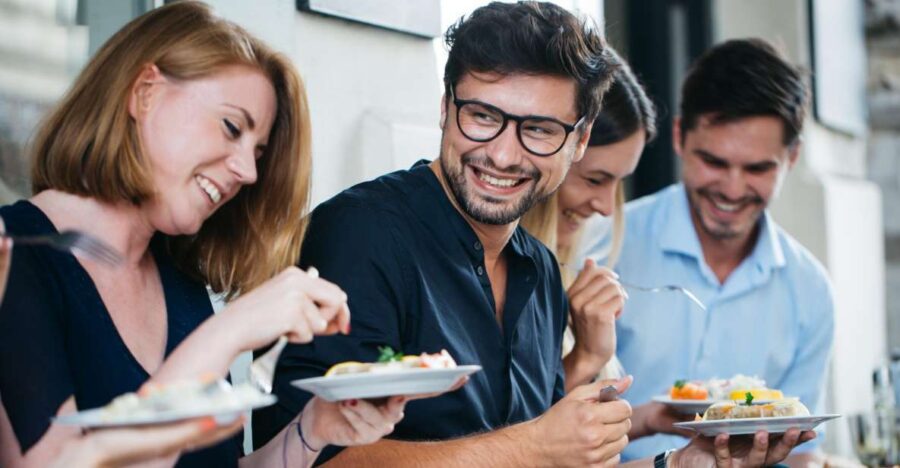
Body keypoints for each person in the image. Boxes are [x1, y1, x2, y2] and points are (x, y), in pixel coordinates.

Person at [255, 3, 811, 466]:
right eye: (481, 115)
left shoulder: (541, 269)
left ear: (578, 138)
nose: (501, 152)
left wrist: (681, 463)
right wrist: (536, 444)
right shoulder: (362, 232)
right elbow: (318, 458)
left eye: (539, 130)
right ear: (446, 107)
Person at [0, 2, 409, 467]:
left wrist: (314, 428)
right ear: (145, 93)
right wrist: (229, 332)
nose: (249, 171)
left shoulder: (179, 281)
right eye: (231, 127)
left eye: (257, 151)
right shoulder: (14, 258)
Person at [577, 38, 835, 464]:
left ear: (791, 158)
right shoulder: (604, 244)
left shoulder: (810, 291)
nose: (732, 189)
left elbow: (801, 452)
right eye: (714, 162)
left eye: (757, 169)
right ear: (679, 137)